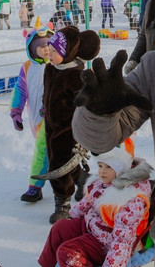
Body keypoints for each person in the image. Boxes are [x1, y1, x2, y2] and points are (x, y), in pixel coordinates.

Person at [38, 140, 153, 267]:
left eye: (109, 167)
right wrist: (71, 220)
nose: (102, 171)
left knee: (68, 253)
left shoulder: (131, 199)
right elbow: (84, 204)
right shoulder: (101, 183)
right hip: (92, 226)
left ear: (120, 170)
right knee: (59, 228)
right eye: (100, 166)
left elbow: (123, 240)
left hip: (106, 241)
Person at [43, 26, 100, 224]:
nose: (49, 54)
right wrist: (45, 106)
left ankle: (63, 202)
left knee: (57, 164)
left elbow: (86, 105)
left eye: (55, 51)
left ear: (67, 54)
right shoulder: (50, 69)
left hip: (70, 129)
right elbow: (47, 92)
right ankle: (81, 178)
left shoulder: (76, 76)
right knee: (57, 157)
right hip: (51, 123)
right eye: (49, 50)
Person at [10, 18, 54, 203]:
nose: (45, 49)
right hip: (35, 119)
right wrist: (16, 112)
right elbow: (20, 90)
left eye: (48, 45)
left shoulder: (55, 65)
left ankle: (34, 187)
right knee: (50, 152)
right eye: (41, 46)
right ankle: (78, 178)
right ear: (31, 47)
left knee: (42, 151)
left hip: (53, 117)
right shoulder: (27, 68)